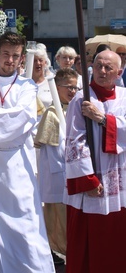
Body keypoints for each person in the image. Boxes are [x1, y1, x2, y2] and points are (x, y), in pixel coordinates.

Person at [0, 32, 55, 272]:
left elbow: (25, 116)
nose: (10, 60)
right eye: (6, 55)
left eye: (16, 56)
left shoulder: (27, 86)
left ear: (22, 60)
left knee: (25, 225)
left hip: (16, 165)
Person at [64, 49, 126, 272]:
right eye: (98, 65)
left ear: (118, 73)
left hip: (120, 183)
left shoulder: (125, 97)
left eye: (108, 67)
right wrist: (87, 180)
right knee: (89, 246)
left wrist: (102, 119)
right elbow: (73, 141)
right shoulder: (82, 98)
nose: (101, 70)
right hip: (93, 183)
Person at [34, 68, 79, 266]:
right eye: (68, 87)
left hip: (74, 176)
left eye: (75, 87)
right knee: (56, 222)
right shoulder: (52, 114)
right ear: (57, 87)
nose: (73, 91)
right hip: (56, 178)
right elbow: (44, 146)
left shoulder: (76, 109)